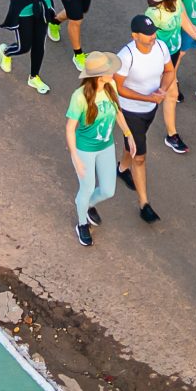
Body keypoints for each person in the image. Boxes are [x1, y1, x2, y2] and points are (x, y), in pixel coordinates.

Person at [111, 15, 171, 223]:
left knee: (133, 145)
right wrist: (149, 98)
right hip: (130, 112)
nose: (152, 36)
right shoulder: (126, 56)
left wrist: (162, 90)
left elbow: (169, 71)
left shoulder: (161, 47)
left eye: (153, 32)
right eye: (147, 34)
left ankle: (121, 169)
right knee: (140, 157)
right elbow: (119, 88)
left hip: (150, 109)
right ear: (134, 36)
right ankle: (144, 204)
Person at [67, 48, 129, 245]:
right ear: (98, 76)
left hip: (106, 146)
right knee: (86, 188)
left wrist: (128, 135)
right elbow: (70, 128)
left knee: (108, 190)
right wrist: (75, 157)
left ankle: (87, 205)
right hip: (84, 149)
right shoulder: (79, 97)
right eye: (108, 70)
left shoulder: (111, 85)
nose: (113, 72)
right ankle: (82, 223)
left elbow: (118, 111)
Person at [145, 0, 196, 154]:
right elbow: (147, 39)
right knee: (170, 93)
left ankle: (170, 134)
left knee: (170, 93)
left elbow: (183, 22)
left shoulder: (177, 3)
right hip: (161, 59)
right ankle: (170, 134)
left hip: (173, 54)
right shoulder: (154, 14)